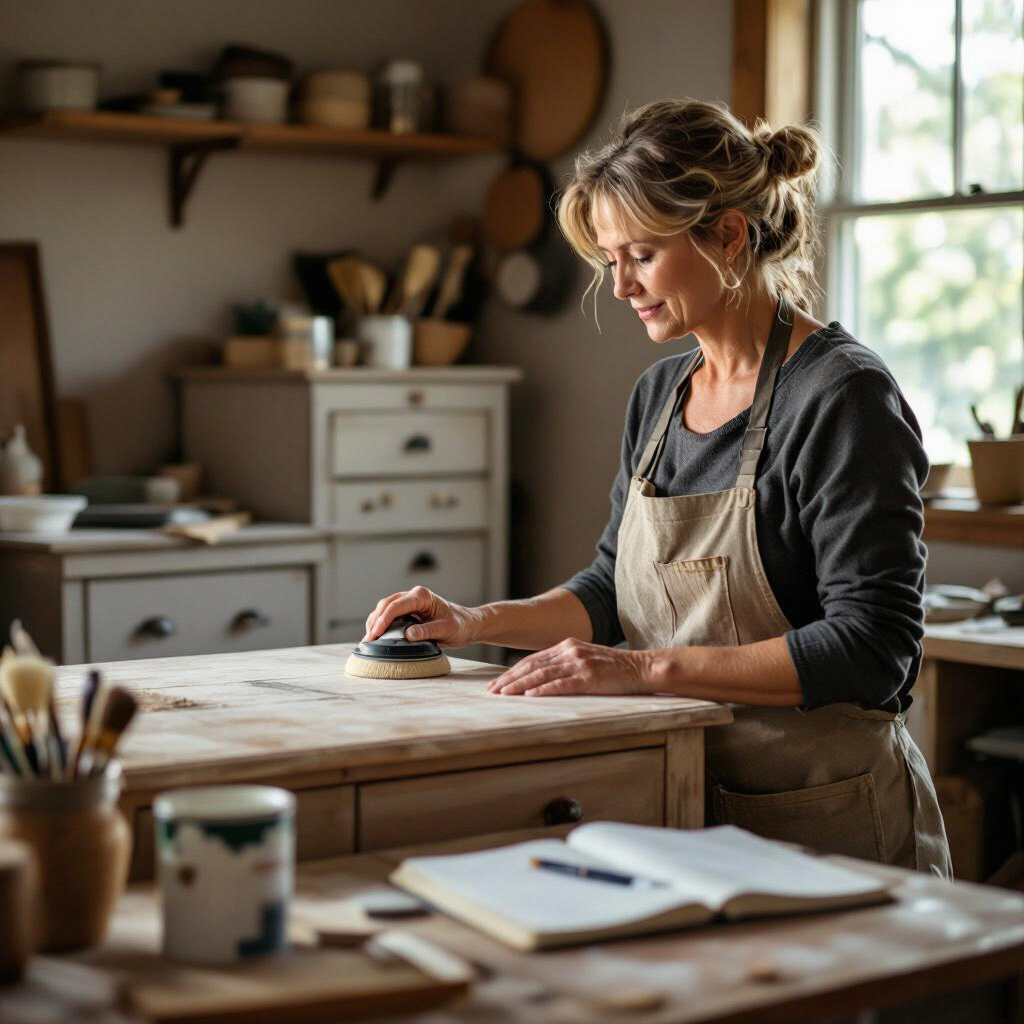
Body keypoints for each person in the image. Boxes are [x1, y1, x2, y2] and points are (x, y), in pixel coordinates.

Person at [361, 99, 952, 877]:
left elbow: (874, 647)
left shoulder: (841, 395)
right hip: (677, 803)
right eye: (610, 259)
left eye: (640, 254)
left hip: (830, 818)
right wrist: (474, 622)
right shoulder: (660, 394)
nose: (619, 286)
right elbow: (613, 590)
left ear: (729, 236)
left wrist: (640, 670)